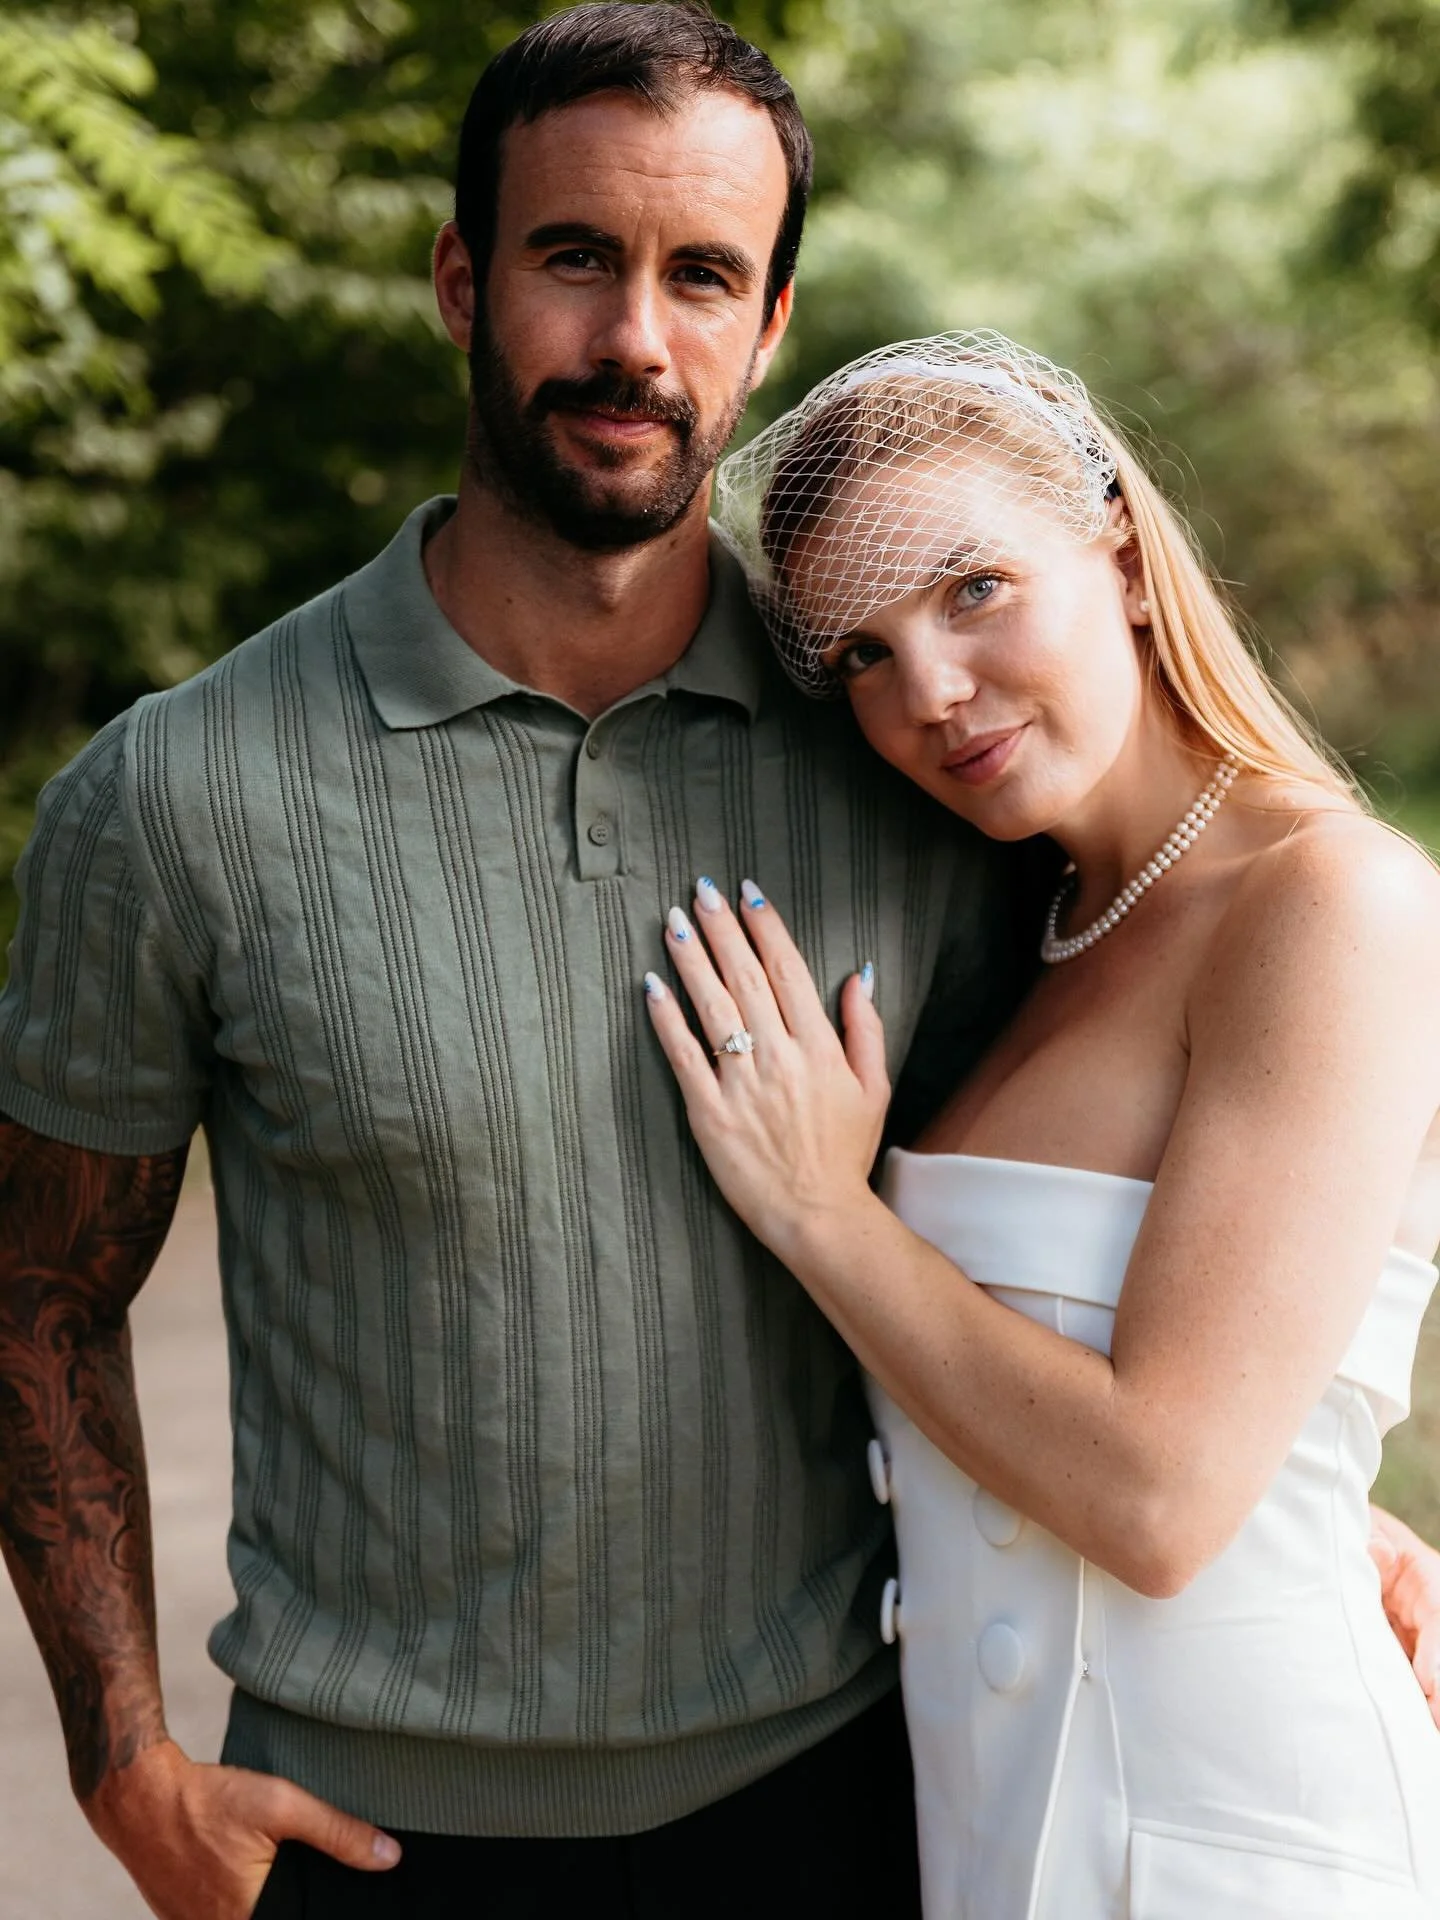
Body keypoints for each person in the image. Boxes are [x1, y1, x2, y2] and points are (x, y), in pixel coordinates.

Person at [0, 9, 1434, 1917]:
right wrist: (123, 1762)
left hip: (856, 1808)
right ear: (460, 278)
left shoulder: (912, 777)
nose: (632, 339)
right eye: (572, 256)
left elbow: (1122, 1268)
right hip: (373, 1839)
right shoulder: (174, 795)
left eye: (701, 276)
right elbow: (37, 1293)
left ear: (767, 326)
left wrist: (1321, 1497)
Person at [645, 332, 1440, 1916]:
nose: (929, 692)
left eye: (974, 589)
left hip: (1228, 1843)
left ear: (1127, 556)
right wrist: (1332, 1494)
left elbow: (1158, 1500)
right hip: (1005, 1831)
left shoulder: (1329, 901)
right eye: (860, 654)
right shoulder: (1043, 932)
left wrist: (824, 1213)